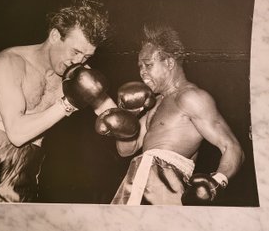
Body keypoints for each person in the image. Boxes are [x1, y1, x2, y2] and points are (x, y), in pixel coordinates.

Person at [0, 0, 121, 202]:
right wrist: (68, 103)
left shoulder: (79, 75)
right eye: (75, 51)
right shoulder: (10, 62)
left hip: (28, 166)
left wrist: (131, 116)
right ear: (55, 36)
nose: (78, 61)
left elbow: (116, 120)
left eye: (87, 57)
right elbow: (17, 133)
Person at [96, 22, 245, 205]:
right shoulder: (155, 103)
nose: (142, 72)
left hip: (163, 190)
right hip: (135, 182)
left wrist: (217, 181)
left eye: (148, 65)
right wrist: (126, 118)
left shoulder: (191, 97)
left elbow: (232, 147)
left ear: (169, 62)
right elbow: (127, 149)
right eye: (140, 66)